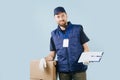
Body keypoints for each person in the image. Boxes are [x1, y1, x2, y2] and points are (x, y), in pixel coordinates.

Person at [44, 6, 90, 80]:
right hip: (63, 72)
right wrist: (44, 59)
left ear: (66, 15)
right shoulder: (54, 34)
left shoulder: (78, 29)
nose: (61, 18)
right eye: (58, 17)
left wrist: (86, 57)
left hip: (79, 69)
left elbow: (86, 48)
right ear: (55, 18)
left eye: (63, 15)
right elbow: (52, 55)